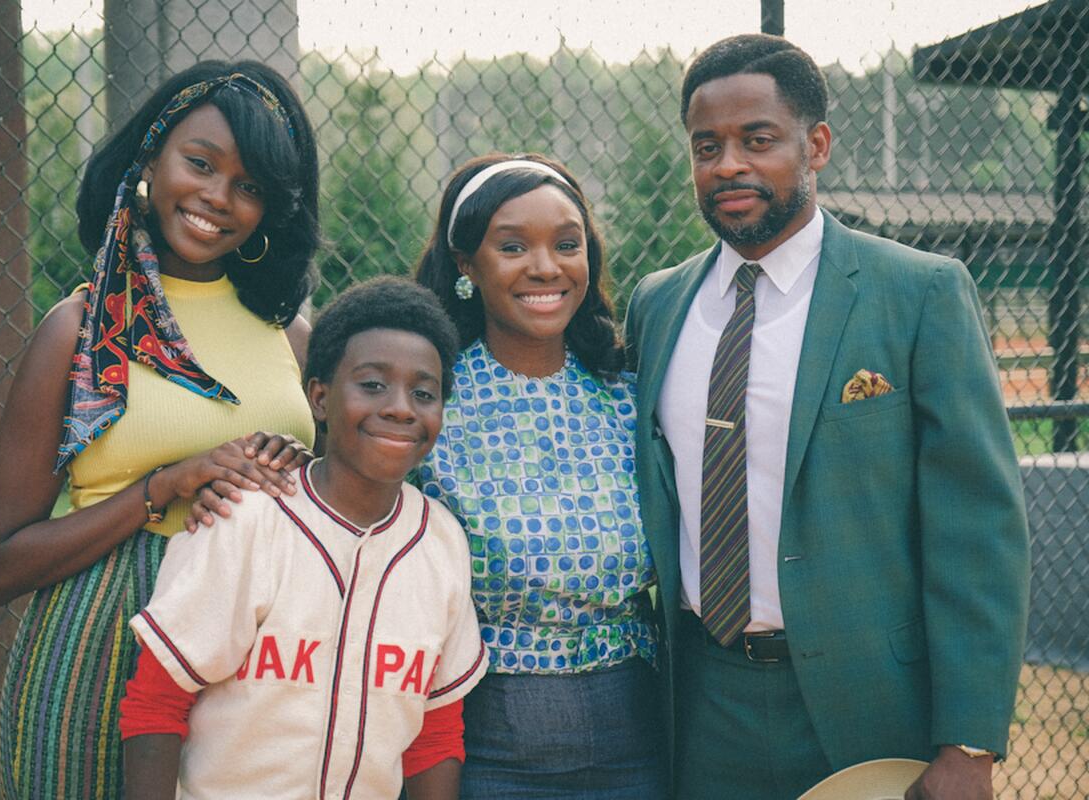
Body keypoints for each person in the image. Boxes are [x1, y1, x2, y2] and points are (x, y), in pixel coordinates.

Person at [624, 34, 1029, 800]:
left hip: (870, 706)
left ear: (816, 145)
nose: (729, 164)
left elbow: (977, 533)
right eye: (706, 146)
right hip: (702, 702)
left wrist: (969, 744)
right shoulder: (659, 303)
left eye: (758, 139)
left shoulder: (919, 294)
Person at [0, 61, 320, 799]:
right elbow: (1, 566)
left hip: (262, 646)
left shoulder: (289, 335)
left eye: (251, 186)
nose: (217, 198)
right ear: (151, 160)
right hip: (105, 636)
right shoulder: (77, 331)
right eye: (200, 164)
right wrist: (164, 485)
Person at [117, 277, 487, 800]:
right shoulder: (246, 515)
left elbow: (436, 733)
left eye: (424, 393)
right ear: (319, 397)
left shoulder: (441, 541)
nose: (402, 407)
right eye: (373, 385)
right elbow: (157, 702)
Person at [415, 154, 666, 798]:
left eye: (567, 244)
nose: (546, 267)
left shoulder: (629, 397)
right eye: (512, 246)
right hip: (486, 735)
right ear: (467, 265)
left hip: (636, 727)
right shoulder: (429, 401)